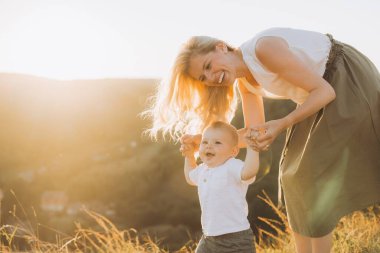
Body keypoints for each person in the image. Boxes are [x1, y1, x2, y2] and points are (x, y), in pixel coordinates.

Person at [144, 27, 380, 253]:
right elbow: (254, 135)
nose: (210, 78)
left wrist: (282, 123)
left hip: (345, 77)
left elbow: (325, 91)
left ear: (220, 47)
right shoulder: (246, 84)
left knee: (308, 173)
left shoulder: (263, 49)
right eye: (203, 77)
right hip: (318, 92)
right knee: (291, 175)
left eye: (208, 66)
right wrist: (203, 140)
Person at [180, 121, 258, 253]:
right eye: (204, 142)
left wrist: (252, 149)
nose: (209, 146)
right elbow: (190, 177)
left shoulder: (232, 166)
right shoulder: (203, 169)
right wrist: (189, 156)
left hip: (236, 239)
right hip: (209, 238)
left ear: (233, 151)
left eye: (217, 143)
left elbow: (249, 172)